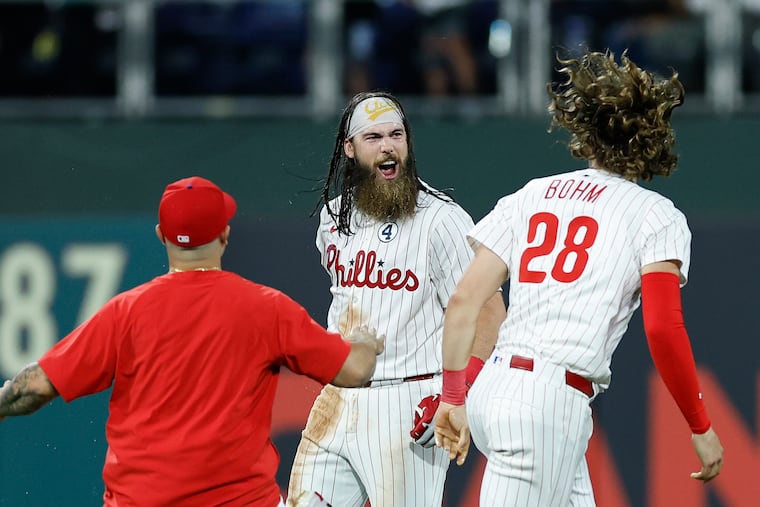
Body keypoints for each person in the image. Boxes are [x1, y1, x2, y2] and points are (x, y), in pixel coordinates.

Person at [434, 50, 724, 505]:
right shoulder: (655, 215)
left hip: (493, 390)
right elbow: (663, 328)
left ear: (586, 134)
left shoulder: (533, 192)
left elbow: (465, 301)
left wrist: (454, 393)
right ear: (653, 137)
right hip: (547, 404)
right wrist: (700, 425)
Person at [0, 176, 385, 507]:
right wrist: (365, 341)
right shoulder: (266, 309)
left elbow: (33, 387)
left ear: (161, 235)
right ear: (224, 234)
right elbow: (354, 371)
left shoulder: (126, 312)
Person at [286, 91, 506, 506]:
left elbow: (491, 314)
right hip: (337, 396)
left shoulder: (442, 219)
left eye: (396, 135)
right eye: (373, 137)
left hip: (407, 403)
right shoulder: (333, 218)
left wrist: (455, 395)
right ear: (349, 149)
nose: (388, 146)